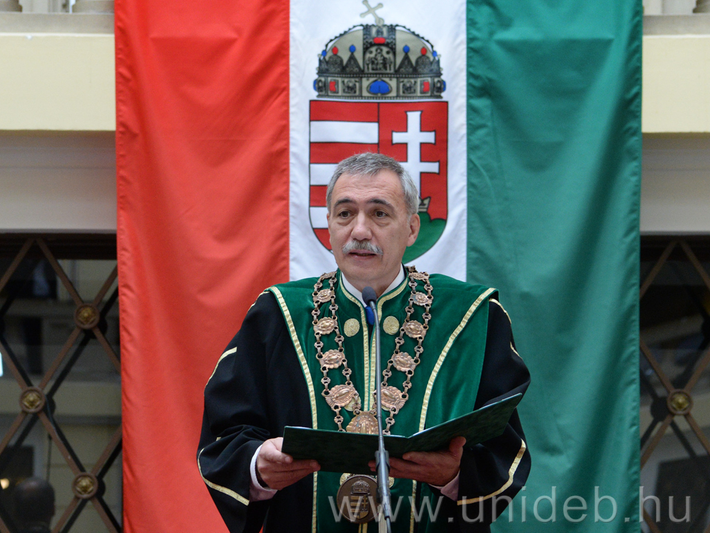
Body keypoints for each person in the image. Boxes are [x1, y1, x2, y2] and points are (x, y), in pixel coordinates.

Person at [198, 153, 530, 532]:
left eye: (379, 214)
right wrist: (257, 467)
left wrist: (455, 474)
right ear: (328, 225)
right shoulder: (277, 314)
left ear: (412, 228)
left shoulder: (473, 317)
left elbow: (506, 447)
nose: (359, 230)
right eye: (345, 214)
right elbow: (224, 436)